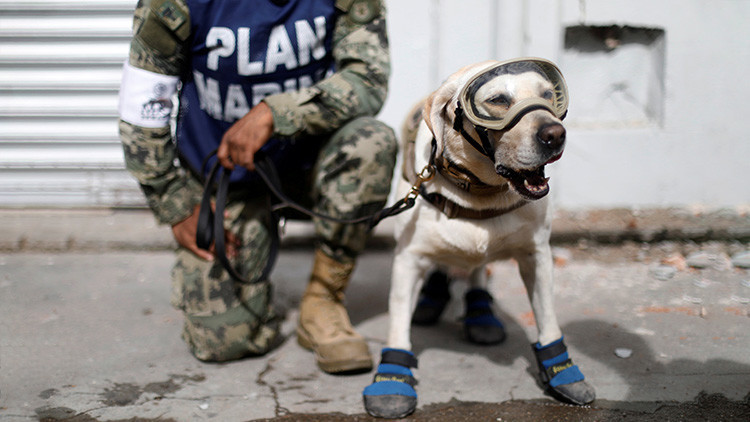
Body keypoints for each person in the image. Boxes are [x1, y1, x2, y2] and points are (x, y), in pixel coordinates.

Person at [117, 0, 396, 374]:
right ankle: (254, 245)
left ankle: (323, 299)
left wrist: (276, 112)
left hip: (310, 166)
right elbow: (145, 103)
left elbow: (367, 81)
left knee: (372, 143)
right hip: (224, 176)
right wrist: (174, 202)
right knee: (223, 341)